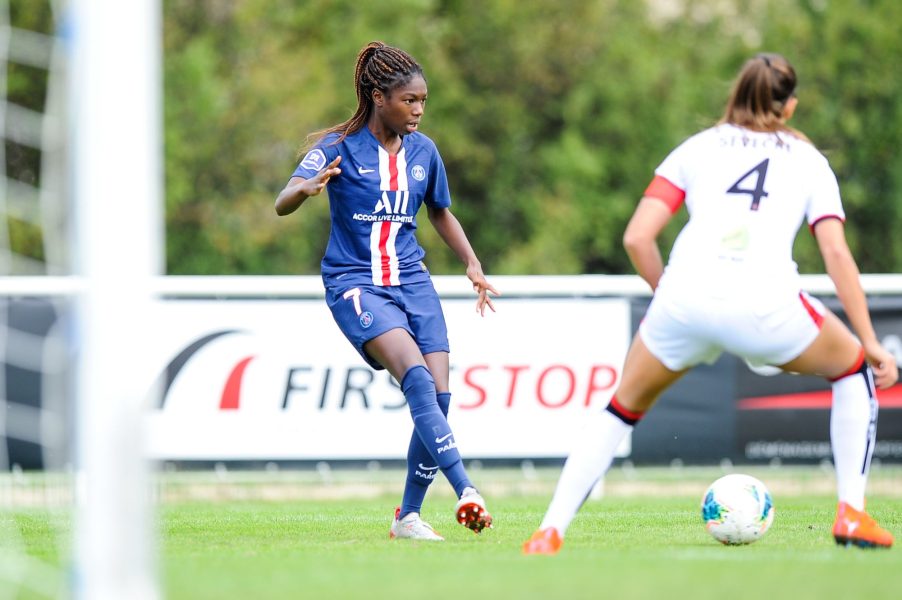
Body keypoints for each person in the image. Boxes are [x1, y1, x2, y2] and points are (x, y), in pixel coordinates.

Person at [523, 53, 898, 554]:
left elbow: (638, 238)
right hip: (766, 303)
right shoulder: (808, 160)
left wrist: (670, 300)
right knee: (852, 371)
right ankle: (851, 513)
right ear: (789, 107)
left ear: (735, 95)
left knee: (618, 410)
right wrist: (870, 341)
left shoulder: (697, 148)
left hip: (683, 298)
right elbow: (834, 252)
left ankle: (550, 530)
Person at [275, 41, 498, 541]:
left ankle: (407, 518)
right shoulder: (337, 146)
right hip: (356, 282)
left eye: (423, 100)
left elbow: (438, 210)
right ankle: (466, 490)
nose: (419, 110)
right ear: (379, 97)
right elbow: (282, 200)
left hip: (413, 281)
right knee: (416, 380)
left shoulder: (424, 151)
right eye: (410, 100)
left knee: (438, 397)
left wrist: (472, 262)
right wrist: (304, 190)